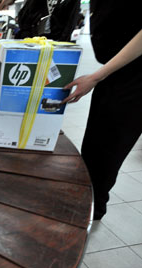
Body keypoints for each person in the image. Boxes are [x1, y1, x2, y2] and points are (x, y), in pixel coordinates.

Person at [61, 2, 142, 220]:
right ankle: (87, 201)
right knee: (95, 145)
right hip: (114, 74)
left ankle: (91, 209)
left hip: (134, 77)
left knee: (107, 149)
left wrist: (97, 76)